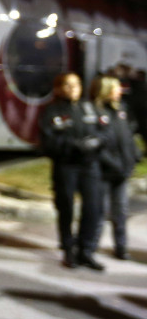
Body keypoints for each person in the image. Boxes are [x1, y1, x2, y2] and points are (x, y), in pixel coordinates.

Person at [39, 73, 105, 270]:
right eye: (68, 85)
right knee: (66, 207)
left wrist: (98, 142)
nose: (73, 88)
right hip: (66, 165)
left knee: (93, 208)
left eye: (76, 84)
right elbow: (47, 141)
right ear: (59, 88)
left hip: (89, 165)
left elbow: (104, 131)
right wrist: (73, 145)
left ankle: (86, 250)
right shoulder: (52, 111)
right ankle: (68, 249)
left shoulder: (89, 107)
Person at [91, 75, 140, 260]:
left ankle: (121, 248)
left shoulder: (122, 111)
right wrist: (114, 164)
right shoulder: (96, 112)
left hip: (122, 172)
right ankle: (91, 246)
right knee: (99, 211)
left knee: (121, 212)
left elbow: (128, 136)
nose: (120, 91)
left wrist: (134, 156)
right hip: (105, 171)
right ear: (107, 90)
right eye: (117, 88)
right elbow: (99, 145)